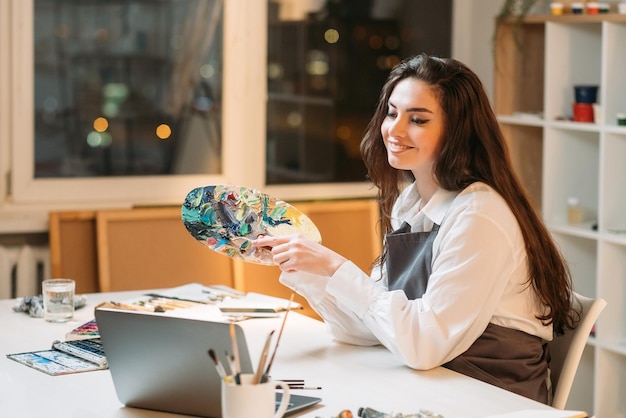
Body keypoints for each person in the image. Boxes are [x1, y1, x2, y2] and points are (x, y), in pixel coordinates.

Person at [253, 53, 580, 404]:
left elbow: (424, 346)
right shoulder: (410, 203)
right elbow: (367, 330)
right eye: (392, 113)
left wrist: (336, 267)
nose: (394, 129)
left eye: (418, 120)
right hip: (433, 387)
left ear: (457, 131)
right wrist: (308, 268)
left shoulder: (479, 216)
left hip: (491, 399)